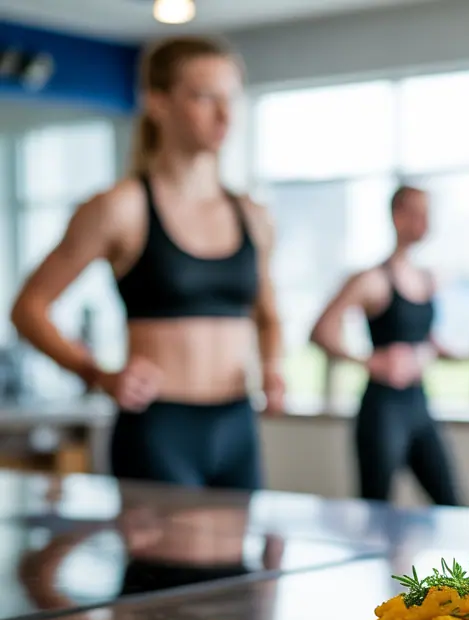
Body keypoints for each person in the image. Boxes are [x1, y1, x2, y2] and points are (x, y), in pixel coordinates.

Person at [10, 36, 283, 491]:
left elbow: (268, 316)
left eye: (230, 98)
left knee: (243, 564)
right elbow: (28, 308)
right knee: (168, 565)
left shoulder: (253, 216)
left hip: (238, 423)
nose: (225, 116)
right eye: (204, 97)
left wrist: (273, 366)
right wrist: (96, 374)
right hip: (159, 427)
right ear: (158, 104)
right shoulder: (121, 207)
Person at [310, 186, 461, 506]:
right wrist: (369, 361)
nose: (425, 222)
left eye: (428, 213)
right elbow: (322, 331)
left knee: (451, 501)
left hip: (418, 404)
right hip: (383, 409)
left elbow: (428, 342)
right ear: (397, 216)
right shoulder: (372, 280)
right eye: (417, 213)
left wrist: (465, 356)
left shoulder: (427, 279)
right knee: (376, 508)